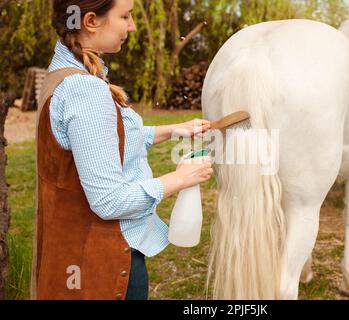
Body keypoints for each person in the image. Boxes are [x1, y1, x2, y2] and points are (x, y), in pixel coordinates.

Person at [31, 0, 213, 300]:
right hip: (102, 269)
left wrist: (171, 130)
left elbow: (101, 141)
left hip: (74, 262)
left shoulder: (65, 73)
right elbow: (109, 201)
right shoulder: (85, 91)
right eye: (125, 16)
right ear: (90, 20)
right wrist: (181, 178)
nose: (132, 26)